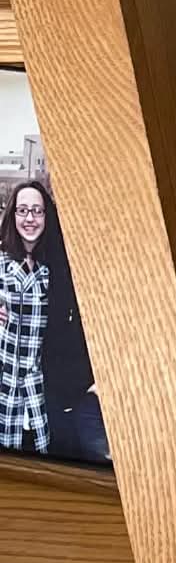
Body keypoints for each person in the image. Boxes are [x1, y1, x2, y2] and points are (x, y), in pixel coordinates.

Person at [0, 178, 103, 462]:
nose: (30, 218)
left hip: (45, 392)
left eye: (37, 211)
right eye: (23, 210)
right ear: (12, 214)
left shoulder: (55, 267)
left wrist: (87, 380)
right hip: (6, 387)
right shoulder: (2, 262)